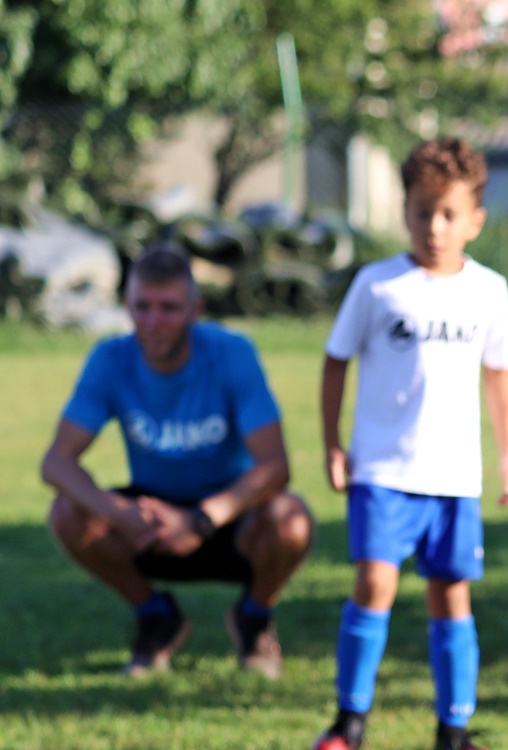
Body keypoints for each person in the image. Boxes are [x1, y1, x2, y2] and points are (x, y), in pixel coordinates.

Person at [311, 138, 508, 750]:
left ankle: (453, 728)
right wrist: (332, 443)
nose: (434, 226)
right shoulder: (378, 286)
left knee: (450, 594)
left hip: (455, 478)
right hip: (382, 469)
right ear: (404, 211)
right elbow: (334, 360)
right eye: (422, 211)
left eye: (448, 214)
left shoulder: (489, 290)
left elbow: (500, 374)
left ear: (474, 220)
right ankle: (349, 720)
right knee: (374, 581)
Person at [43, 244, 313, 677]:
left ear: (195, 310)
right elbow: (56, 462)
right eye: (142, 307)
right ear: (126, 306)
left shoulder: (231, 354)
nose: (153, 322)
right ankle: (156, 617)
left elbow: (275, 466)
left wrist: (200, 520)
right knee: (67, 513)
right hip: (149, 522)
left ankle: (254, 616)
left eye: (168, 308)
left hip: (227, 518)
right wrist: (119, 512)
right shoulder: (111, 358)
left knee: (291, 518)